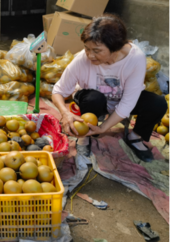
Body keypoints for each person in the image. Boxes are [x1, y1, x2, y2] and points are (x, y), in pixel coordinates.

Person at [52, 14, 167, 162]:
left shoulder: (135, 58)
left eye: (97, 51)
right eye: (87, 48)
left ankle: (135, 137)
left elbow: (128, 102)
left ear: (116, 48)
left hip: (122, 100)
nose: (90, 55)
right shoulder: (82, 59)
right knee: (93, 97)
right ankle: (84, 138)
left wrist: (104, 127)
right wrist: (64, 113)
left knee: (157, 103)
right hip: (94, 102)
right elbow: (58, 91)